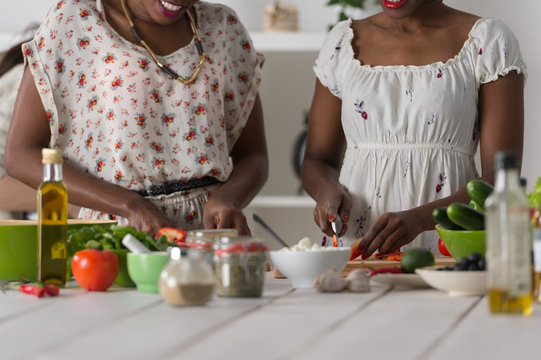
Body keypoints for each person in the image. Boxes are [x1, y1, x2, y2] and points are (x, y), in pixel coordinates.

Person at [5, 0, 268, 237]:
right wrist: (131, 206)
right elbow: (21, 156)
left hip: (211, 236)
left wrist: (229, 199)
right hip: (118, 233)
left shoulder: (223, 27)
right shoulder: (74, 21)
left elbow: (254, 155)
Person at [301, 0, 525, 257]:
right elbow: (317, 160)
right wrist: (327, 191)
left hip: (447, 245)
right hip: (358, 249)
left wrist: (420, 219)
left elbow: (501, 179)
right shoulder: (342, 42)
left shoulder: (488, 40)